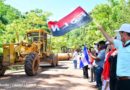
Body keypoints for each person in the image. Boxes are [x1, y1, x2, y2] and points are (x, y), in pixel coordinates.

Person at [97, 23, 130, 90]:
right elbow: (109, 39)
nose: (119, 35)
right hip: (118, 80)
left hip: (128, 81)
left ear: (125, 33)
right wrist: (101, 29)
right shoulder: (120, 44)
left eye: (120, 33)